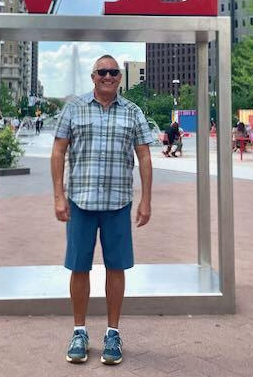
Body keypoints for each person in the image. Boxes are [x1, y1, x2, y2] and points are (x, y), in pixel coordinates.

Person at [51, 54, 153, 365]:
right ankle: (79, 331)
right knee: (79, 268)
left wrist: (146, 199)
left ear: (120, 78)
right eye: (102, 72)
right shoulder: (74, 108)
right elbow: (58, 151)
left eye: (114, 72)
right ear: (93, 76)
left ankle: (112, 332)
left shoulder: (133, 113)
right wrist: (59, 195)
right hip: (81, 202)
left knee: (116, 267)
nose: (108, 76)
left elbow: (145, 157)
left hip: (118, 203)